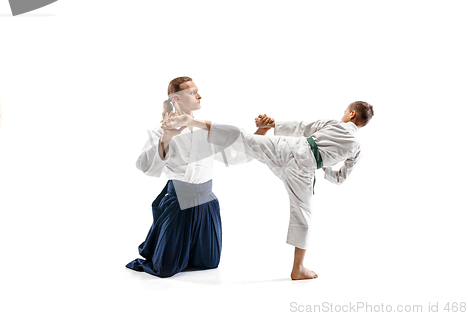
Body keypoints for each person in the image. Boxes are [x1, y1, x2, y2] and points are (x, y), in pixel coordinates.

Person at [161, 101, 374, 280]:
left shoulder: (334, 124)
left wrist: (272, 124)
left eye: (345, 111)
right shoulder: (357, 148)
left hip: (286, 148)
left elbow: (303, 127)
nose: (343, 114)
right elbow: (339, 179)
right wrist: (324, 164)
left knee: (241, 137)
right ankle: (298, 269)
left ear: (352, 114)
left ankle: (192, 122)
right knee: (303, 216)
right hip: (304, 170)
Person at [126, 76, 255, 278]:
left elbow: (235, 155)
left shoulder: (207, 129)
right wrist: (166, 137)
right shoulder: (160, 130)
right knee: (165, 269)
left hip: (206, 199)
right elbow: (143, 165)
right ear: (176, 98)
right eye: (193, 92)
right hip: (179, 200)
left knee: (209, 263)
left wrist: (261, 132)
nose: (199, 96)